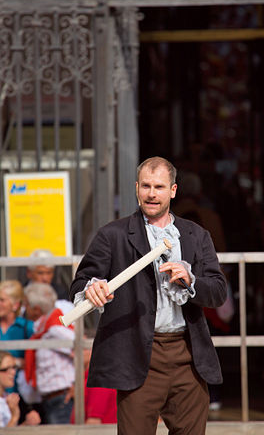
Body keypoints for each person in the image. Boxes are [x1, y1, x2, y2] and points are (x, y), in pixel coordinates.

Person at [69, 156, 227, 435]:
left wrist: (191, 280)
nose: (152, 194)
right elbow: (80, 281)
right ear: (136, 188)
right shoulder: (112, 235)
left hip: (187, 356)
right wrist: (91, 288)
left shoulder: (196, 235)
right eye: (146, 186)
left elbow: (217, 292)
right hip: (138, 356)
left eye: (159, 187)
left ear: (173, 190)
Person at [23, 282, 75, 424]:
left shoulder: (55, 329)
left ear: (36, 309)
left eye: (26, 304)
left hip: (61, 399)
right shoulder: (42, 329)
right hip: (51, 400)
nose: (24, 308)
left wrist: (78, 385)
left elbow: (84, 351)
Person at [26, 249, 73, 315]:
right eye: (40, 273)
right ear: (29, 273)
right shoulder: (22, 293)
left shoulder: (61, 293)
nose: (45, 278)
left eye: (49, 273)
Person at [0, 350, 40, 427]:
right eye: (6, 369)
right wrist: (15, 416)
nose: (13, 372)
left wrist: (27, 424)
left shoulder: (7, 397)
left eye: (14, 367)